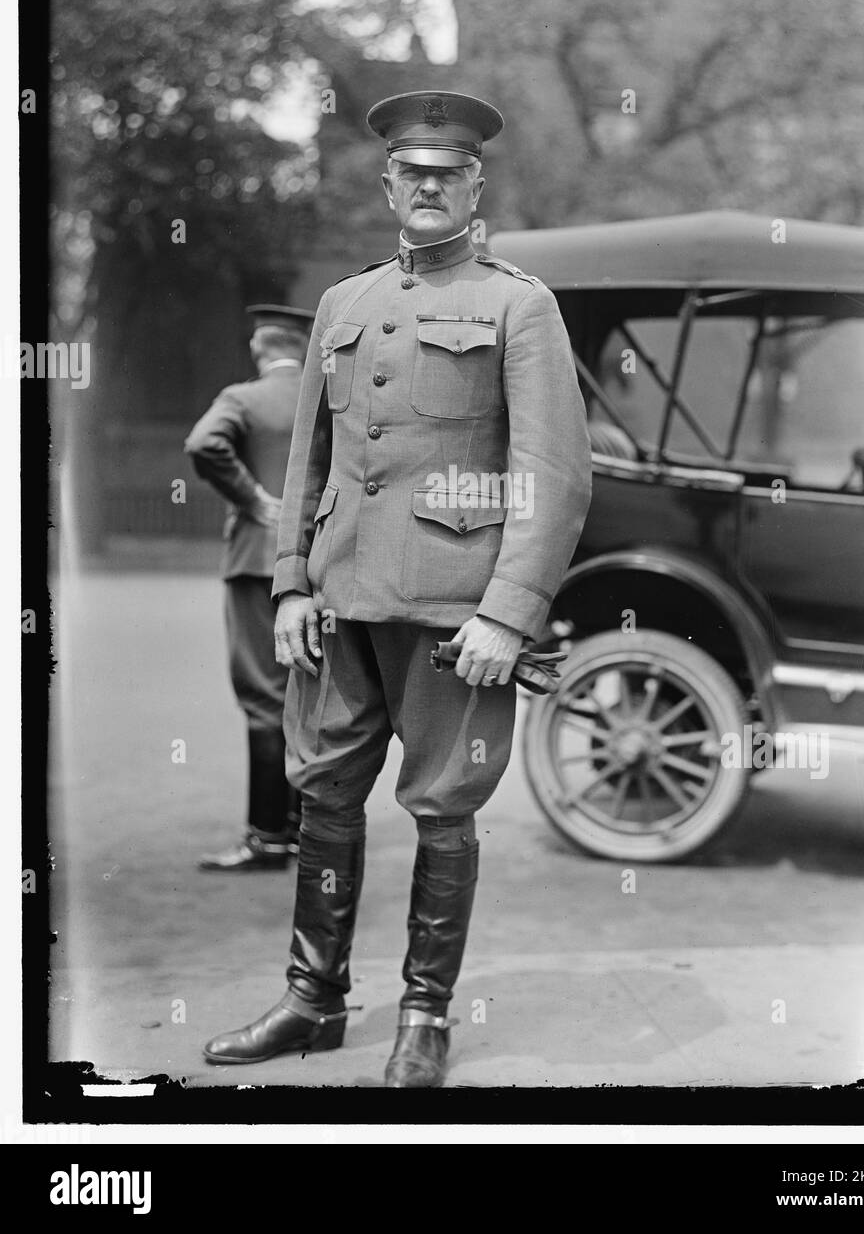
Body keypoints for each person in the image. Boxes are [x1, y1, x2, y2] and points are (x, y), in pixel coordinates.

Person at [203, 91, 593, 1086]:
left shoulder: (519, 305)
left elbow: (553, 475)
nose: (426, 185)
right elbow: (310, 463)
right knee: (323, 794)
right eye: (409, 171)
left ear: (474, 184)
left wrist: (510, 610)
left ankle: (423, 1014)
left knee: (442, 803)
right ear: (387, 184)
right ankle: (311, 998)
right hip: (338, 605)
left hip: (455, 613)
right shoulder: (345, 304)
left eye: (446, 172)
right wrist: (290, 583)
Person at [184, 305, 317, 870]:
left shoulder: (242, 397)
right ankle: (303, 830)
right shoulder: (326, 397)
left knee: (264, 698)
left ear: (259, 349)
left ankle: (267, 838)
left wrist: (251, 498)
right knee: (308, 697)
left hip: (257, 561)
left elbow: (203, 444)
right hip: (318, 565)